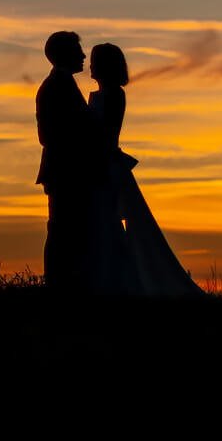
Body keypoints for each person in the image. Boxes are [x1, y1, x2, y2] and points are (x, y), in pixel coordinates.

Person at [86, 43, 201, 297]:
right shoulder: (99, 95)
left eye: (95, 60)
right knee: (106, 225)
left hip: (107, 167)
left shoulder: (114, 94)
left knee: (111, 223)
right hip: (102, 165)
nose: (90, 65)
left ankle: (124, 280)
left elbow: (104, 134)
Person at [35, 31, 110, 291]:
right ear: (64, 54)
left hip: (66, 169)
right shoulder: (58, 86)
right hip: (65, 170)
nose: (82, 56)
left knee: (67, 229)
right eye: (77, 51)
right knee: (62, 230)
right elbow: (49, 134)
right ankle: (59, 284)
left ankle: (64, 282)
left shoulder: (61, 84)